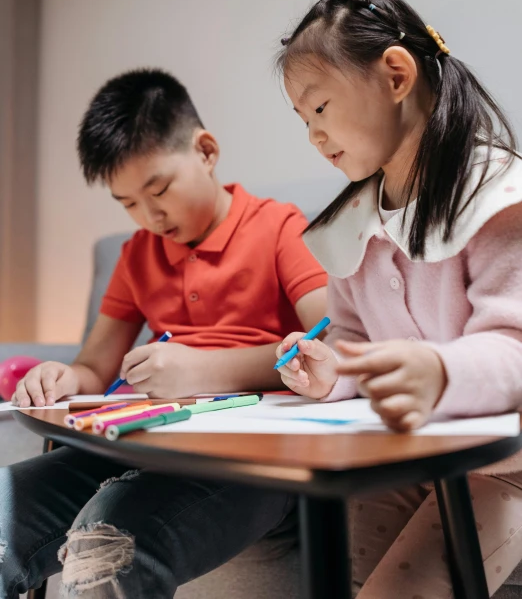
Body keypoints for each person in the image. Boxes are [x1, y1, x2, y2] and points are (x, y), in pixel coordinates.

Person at [0, 69, 327, 598]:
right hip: (142, 445)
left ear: (205, 150)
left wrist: (203, 369)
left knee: (107, 542)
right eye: (128, 203)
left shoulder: (279, 228)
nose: (149, 216)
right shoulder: (137, 256)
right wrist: (59, 375)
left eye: (159, 189)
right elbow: (93, 367)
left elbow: (333, 342)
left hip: (254, 461)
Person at [275, 0, 522, 597]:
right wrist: (332, 372)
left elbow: (515, 346)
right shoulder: (352, 225)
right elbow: (357, 345)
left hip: (503, 463)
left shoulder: (494, 194)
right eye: (303, 120)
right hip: (411, 454)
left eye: (321, 107)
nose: (314, 135)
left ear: (395, 75)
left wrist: (440, 372)